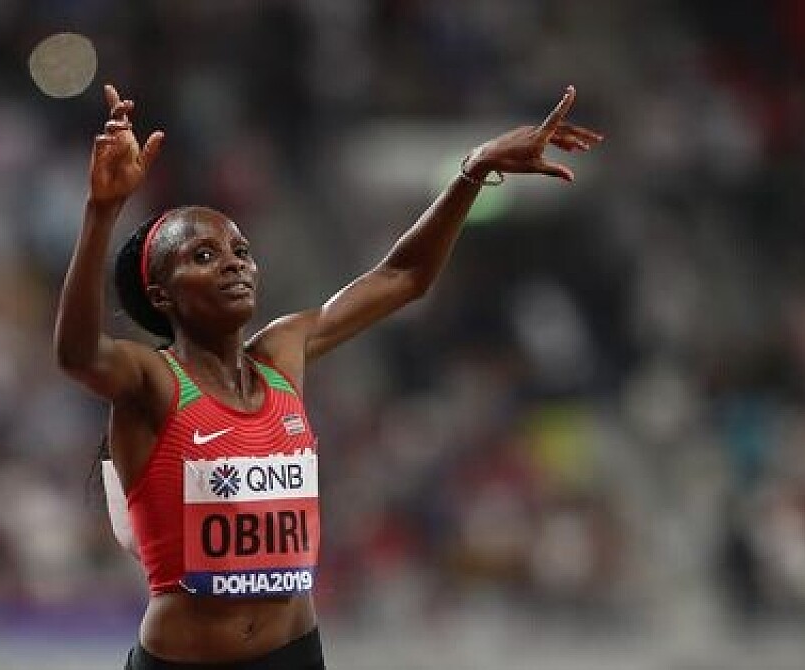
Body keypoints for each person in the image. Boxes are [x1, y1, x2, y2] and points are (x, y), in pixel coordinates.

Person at [54, 82, 601, 670]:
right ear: (162, 294)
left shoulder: (282, 353)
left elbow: (403, 277)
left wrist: (473, 170)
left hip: (295, 654)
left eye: (241, 250)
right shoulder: (153, 380)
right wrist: (102, 211)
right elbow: (78, 354)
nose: (234, 263)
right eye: (203, 256)